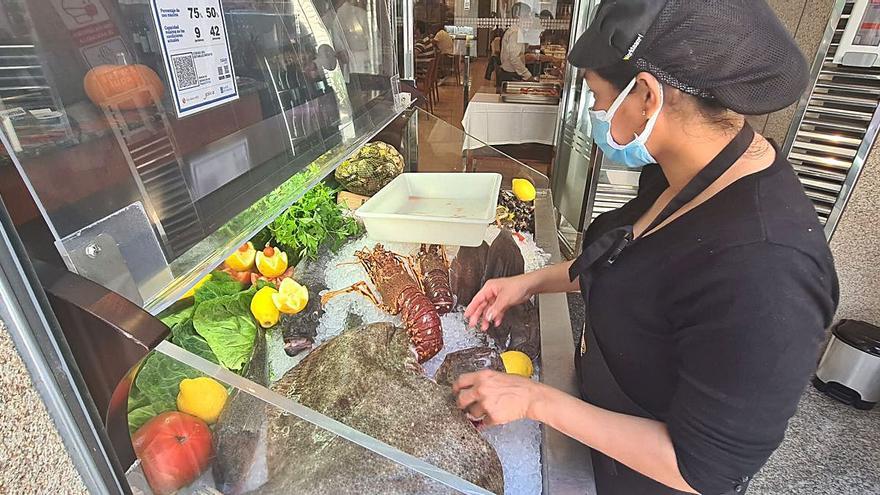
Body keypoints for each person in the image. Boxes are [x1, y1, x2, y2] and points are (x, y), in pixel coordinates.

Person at [454, 1, 839, 495]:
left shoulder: (767, 267)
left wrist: (534, 401)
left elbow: (703, 468)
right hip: (600, 427)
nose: (593, 112)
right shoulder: (684, 171)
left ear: (646, 95)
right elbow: (633, 258)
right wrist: (532, 281)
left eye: (595, 95)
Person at [498, 2, 536, 85]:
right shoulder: (515, 33)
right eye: (526, 16)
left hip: (511, 74)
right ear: (517, 17)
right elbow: (514, 59)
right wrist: (528, 76)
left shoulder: (517, 31)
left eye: (529, 15)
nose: (529, 18)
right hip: (510, 76)